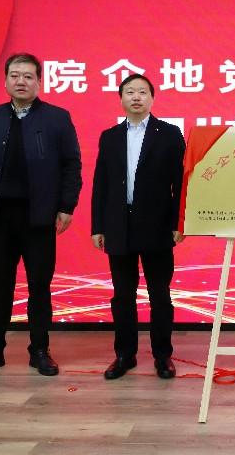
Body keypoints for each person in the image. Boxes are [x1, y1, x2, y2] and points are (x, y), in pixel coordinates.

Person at [0, 52, 82, 379]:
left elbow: (72, 165)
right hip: (0, 215)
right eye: (15, 75)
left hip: (38, 216)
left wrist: (66, 206)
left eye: (28, 76)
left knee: (39, 285)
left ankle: (39, 350)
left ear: (39, 82)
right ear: (6, 81)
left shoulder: (57, 118)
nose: (21, 81)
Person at [91, 74, 185, 380]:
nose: (136, 97)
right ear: (121, 98)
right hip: (119, 225)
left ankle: (163, 356)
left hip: (157, 225)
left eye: (142, 92)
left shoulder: (169, 134)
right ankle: (124, 355)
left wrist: (179, 222)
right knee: (122, 295)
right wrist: (98, 226)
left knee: (160, 295)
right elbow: (101, 184)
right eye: (129, 92)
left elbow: (180, 183)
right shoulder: (110, 137)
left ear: (152, 98)